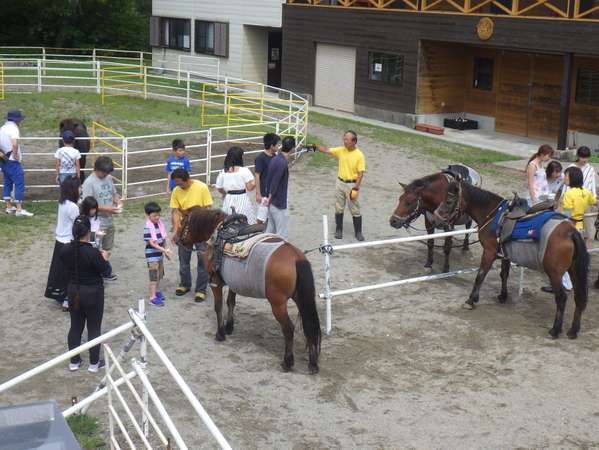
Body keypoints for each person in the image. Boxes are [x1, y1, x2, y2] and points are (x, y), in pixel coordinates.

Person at [60, 215, 109, 373]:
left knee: (75, 326)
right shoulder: (92, 252)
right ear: (88, 232)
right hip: (93, 292)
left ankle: (74, 361)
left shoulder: (66, 249)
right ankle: (94, 363)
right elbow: (106, 271)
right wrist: (105, 258)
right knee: (94, 327)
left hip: (73, 290)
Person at [169, 168, 213, 303]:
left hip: (200, 229)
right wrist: (175, 231)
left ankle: (200, 290)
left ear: (187, 179)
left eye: (179, 183)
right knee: (183, 259)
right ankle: (185, 284)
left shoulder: (202, 187)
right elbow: (176, 212)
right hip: (185, 229)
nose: (177, 186)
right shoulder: (176, 191)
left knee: (202, 260)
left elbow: (208, 209)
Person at [314, 130, 366, 241]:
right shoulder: (341, 150)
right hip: (340, 183)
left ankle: (358, 232)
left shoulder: (359, 155)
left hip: (352, 184)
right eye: (344, 139)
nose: (344, 141)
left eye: (347, 139)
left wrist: (356, 187)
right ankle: (339, 230)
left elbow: (361, 174)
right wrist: (316, 146)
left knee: (355, 209)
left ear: (354, 141)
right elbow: (327, 150)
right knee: (338, 207)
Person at [82, 156, 122, 281]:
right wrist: (107, 209)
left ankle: (103, 271)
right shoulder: (89, 182)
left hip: (109, 219)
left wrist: (118, 201)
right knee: (95, 248)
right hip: (96, 222)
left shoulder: (109, 178)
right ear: (97, 169)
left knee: (107, 248)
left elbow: (113, 193)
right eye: (104, 172)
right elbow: (87, 204)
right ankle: (97, 273)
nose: (106, 175)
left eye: (107, 173)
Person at [45, 176, 81, 312]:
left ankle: (59, 294)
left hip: (59, 241)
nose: (80, 189)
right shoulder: (73, 207)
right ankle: (67, 299)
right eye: (79, 187)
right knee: (71, 273)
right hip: (69, 242)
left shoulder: (62, 202)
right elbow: (78, 225)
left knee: (59, 271)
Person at [0, 109, 33, 216]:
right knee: (19, 183)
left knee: (7, 182)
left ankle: (9, 207)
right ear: (17, 120)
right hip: (12, 160)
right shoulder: (14, 129)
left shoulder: (2, 128)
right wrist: (15, 155)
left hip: (3, 159)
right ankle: (19, 209)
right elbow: (14, 144)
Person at [215, 146, 256, 224]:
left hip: (228, 199)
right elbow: (250, 187)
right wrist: (256, 182)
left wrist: (225, 193)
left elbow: (219, 187)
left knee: (228, 221)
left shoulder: (223, 171)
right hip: (242, 198)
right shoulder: (244, 171)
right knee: (245, 221)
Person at [144, 202, 172, 307]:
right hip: (152, 256)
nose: (157, 217)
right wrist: (164, 250)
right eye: (154, 216)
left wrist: (166, 250)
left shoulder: (159, 224)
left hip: (159, 255)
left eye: (158, 215)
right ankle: (152, 297)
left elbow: (164, 238)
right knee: (153, 276)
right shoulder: (147, 227)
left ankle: (155, 291)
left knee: (159, 275)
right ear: (148, 215)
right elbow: (152, 243)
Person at [264, 136, 293, 239]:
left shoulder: (275, 159)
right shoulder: (282, 163)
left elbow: (270, 180)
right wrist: (270, 197)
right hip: (278, 203)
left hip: (272, 203)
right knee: (282, 235)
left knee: (270, 230)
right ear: (292, 149)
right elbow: (275, 183)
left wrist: (268, 198)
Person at [568, 146, 597, 243]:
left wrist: (594, 200)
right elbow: (567, 185)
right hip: (574, 200)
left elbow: (592, 184)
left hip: (587, 200)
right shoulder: (571, 167)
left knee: (588, 225)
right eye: (582, 157)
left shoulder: (590, 168)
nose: (585, 160)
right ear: (578, 156)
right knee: (574, 225)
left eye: (586, 157)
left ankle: (586, 246)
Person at [255, 133, 280, 223]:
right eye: (277, 144)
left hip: (273, 193)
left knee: (272, 217)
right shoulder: (260, 158)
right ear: (271, 145)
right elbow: (257, 175)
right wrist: (258, 193)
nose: (278, 146)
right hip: (264, 194)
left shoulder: (276, 157)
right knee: (261, 218)